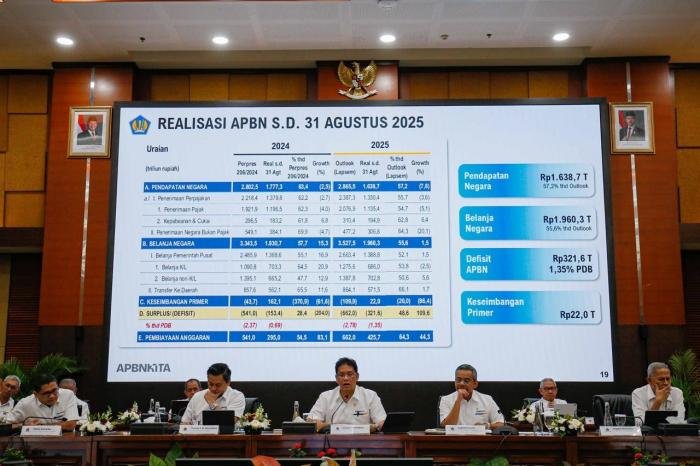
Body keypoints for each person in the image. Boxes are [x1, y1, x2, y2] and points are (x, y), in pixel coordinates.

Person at [308, 357, 386, 432]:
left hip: (363, 440)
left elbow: (382, 422)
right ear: (336, 378)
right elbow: (311, 421)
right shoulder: (325, 397)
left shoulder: (370, 396)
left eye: (349, 374)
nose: (346, 378)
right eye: (341, 375)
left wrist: (374, 427)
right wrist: (332, 427)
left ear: (357, 376)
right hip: (333, 440)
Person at [439, 364, 504, 428]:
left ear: (475, 384)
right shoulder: (446, 400)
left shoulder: (487, 400)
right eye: (458, 380)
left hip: (480, 435)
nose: (461, 383)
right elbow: (447, 425)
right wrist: (458, 400)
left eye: (466, 381)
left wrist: (486, 426)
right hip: (455, 435)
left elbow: (501, 423)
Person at [6, 374, 78, 431]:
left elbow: (70, 425)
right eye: (46, 393)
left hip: (65, 441)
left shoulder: (68, 395)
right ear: (35, 394)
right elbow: (6, 426)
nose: (52, 396)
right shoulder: (25, 403)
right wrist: (23, 425)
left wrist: (40, 427)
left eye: (54, 390)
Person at [180, 363, 245, 424]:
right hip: (197, 432)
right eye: (210, 384)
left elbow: (229, 422)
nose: (213, 388)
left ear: (228, 382)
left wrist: (213, 404)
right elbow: (184, 422)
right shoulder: (197, 396)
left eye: (218, 385)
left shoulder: (236, 396)